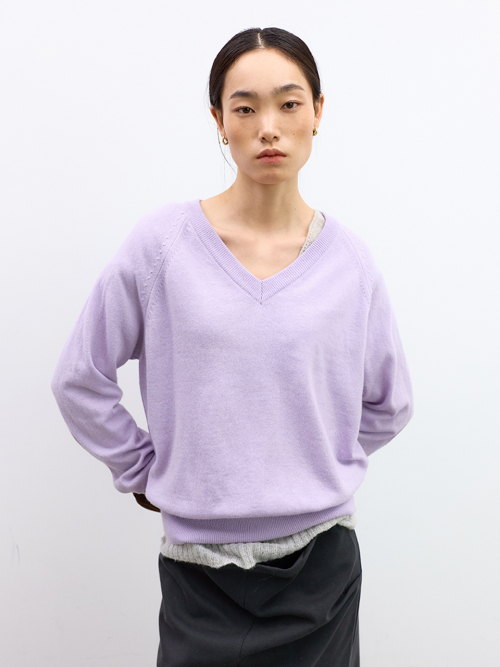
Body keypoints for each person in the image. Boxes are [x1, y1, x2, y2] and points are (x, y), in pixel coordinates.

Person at [51, 26, 413, 667]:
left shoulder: (350, 264)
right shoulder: (162, 247)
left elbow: (391, 403)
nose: (268, 127)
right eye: (245, 108)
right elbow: (80, 378)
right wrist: (143, 470)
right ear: (219, 120)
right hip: (199, 573)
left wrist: (312, 459)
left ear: (317, 112)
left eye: (289, 103)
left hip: (321, 569)